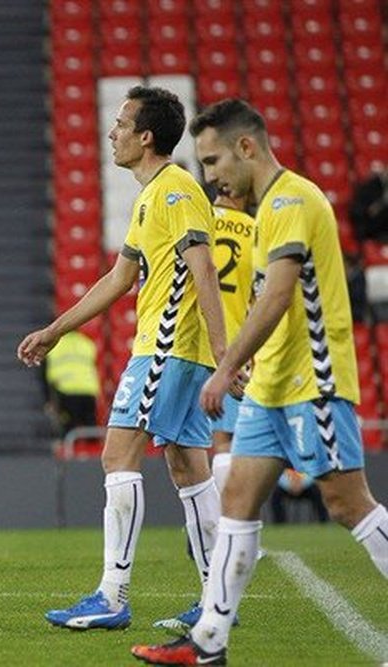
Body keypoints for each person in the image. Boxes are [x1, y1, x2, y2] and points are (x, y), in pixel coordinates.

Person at [131, 98, 388, 666]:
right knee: (239, 499)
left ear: (248, 148)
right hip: (273, 384)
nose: (211, 176)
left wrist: (224, 367)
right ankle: (208, 644)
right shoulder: (265, 210)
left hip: (312, 380)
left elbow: (276, 297)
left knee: (348, 503)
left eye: (215, 160)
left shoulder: (293, 199)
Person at [17, 86, 229, 631]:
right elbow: (119, 278)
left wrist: (226, 353)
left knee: (117, 456)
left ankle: (113, 595)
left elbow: (203, 268)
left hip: (167, 347)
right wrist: (57, 329)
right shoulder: (152, 195)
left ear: (145, 137)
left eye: (121, 124)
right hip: (179, 349)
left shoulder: (176, 189)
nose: (112, 133)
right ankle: (216, 599)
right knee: (187, 467)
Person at [152, 188, 256, 636]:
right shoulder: (258, 230)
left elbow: (192, 277)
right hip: (244, 349)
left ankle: (223, 545)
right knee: (222, 451)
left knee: (197, 456)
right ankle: (232, 538)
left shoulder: (198, 220)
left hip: (199, 349)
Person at [43, 330, 99, 438]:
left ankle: (69, 453)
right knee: (90, 429)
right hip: (88, 391)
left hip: (66, 391)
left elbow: (44, 375)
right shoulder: (87, 343)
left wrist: (48, 399)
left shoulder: (54, 345)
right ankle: (93, 452)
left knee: (68, 429)